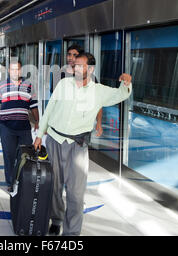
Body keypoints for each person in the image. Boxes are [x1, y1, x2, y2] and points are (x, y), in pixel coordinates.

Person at [34, 52, 132, 236]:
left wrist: (126, 82)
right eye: (74, 65)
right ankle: (56, 219)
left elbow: (121, 94)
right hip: (55, 140)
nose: (76, 68)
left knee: (76, 194)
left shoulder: (99, 91)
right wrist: (40, 135)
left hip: (77, 146)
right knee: (54, 187)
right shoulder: (63, 84)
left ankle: (71, 234)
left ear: (91, 69)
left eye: (80, 65)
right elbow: (49, 110)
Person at [0, 60, 39, 192]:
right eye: (12, 69)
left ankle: (23, 181)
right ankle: (11, 182)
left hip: (24, 127)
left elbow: (33, 105)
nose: (15, 72)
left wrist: (38, 121)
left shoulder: (29, 86)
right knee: (9, 156)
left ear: (21, 70)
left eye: (17, 69)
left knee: (25, 156)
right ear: (9, 71)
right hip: (6, 127)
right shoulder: (1, 86)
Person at [61, 45, 103, 137]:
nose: (71, 58)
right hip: (62, 125)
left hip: (81, 127)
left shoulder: (91, 78)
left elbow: (98, 102)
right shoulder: (61, 75)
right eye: (69, 54)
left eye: (74, 55)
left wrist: (99, 123)